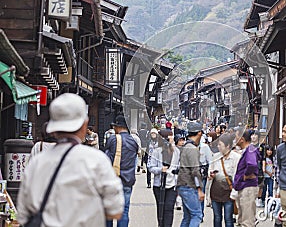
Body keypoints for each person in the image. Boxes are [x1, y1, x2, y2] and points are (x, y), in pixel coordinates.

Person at [18, 93, 124, 227]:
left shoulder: (36, 163)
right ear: (84, 125)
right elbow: (115, 211)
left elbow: (22, 215)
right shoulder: (96, 160)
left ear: (52, 127)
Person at [105, 114, 139, 227]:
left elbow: (107, 158)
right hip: (127, 179)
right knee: (124, 210)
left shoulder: (113, 139)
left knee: (108, 211)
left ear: (118, 127)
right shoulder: (133, 141)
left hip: (113, 180)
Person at [148, 129, 180, 227]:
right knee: (161, 209)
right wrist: (160, 169)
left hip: (172, 185)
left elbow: (179, 165)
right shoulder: (157, 151)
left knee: (169, 208)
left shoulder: (176, 151)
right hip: (159, 184)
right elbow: (150, 166)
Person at [208, 133, 241, 227]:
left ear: (228, 146)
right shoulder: (215, 156)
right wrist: (210, 174)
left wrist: (234, 193)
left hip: (229, 192)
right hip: (216, 191)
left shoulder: (236, 158)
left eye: (220, 145)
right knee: (217, 217)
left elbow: (236, 176)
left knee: (228, 218)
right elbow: (210, 169)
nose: (218, 147)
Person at [177, 121, 205, 227]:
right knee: (197, 215)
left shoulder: (185, 146)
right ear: (199, 133)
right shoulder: (192, 149)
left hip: (182, 184)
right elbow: (195, 171)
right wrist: (199, 189)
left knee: (187, 216)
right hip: (189, 185)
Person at [233, 129, 261, 227]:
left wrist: (246, 175)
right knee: (242, 218)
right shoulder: (247, 150)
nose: (235, 139)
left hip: (248, 187)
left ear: (242, 139)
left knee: (247, 220)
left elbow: (252, 164)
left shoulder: (250, 150)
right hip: (244, 186)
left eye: (236, 137)